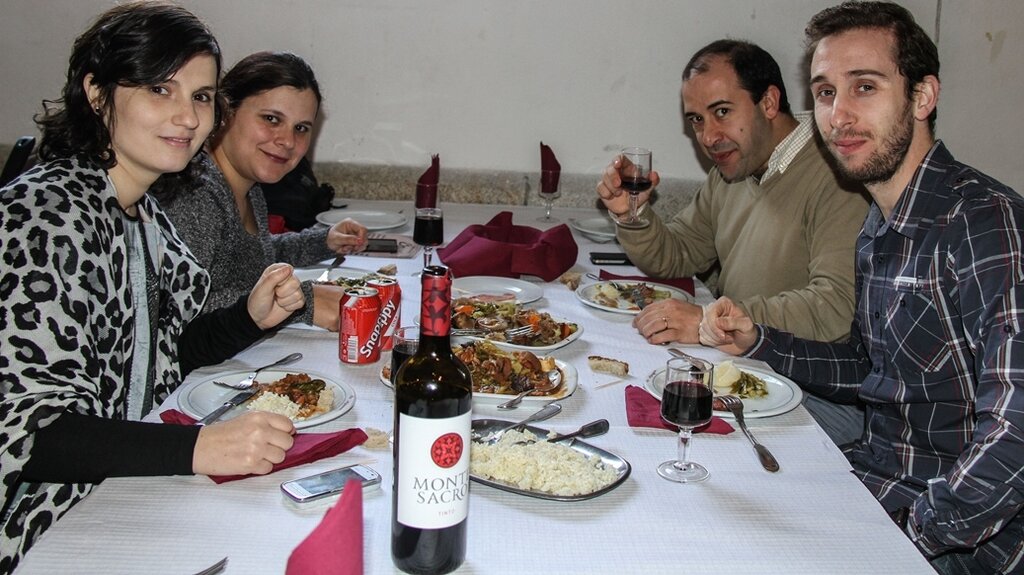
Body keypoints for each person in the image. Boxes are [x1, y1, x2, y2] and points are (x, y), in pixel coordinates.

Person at [700, 3, 1024, 573]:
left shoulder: (985, 224)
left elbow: (1015, 434)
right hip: (877, 481)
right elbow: (867, 369)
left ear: (922, 97)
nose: (839, 115)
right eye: (825, 93)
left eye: (865, 87)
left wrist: (908, 533)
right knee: (708, 500)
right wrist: (760, 343)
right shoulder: (878, 226)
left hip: (961, 540)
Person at [0, 4, 304, 571]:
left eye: (201, 96)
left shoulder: (140, 214)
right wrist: (198, 447)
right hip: (35, 528)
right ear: (97, 93)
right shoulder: (46, 216)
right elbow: (31, 434)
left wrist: (248, 318)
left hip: (110, 490)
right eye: (160, 89)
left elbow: (159, 358)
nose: (187, 117)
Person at [596, 39, 869, 348]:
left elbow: (835, 306)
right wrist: (630, 213)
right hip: (733, 356)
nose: (708, 137)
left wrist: (712, 322)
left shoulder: (839, 175)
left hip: (792, 371)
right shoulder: (732, 171)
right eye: (697, 120)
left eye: (722, 111)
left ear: (769, 103)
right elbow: (676, 255)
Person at [155, 51, 368, 331]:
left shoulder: (248, 187)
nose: (288, 141)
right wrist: (302, 303)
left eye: (301, 128)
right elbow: (183, 309)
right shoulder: (196, 195)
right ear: (225, 112)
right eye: (271, 119)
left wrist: (322, 242)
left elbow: (252, 257)